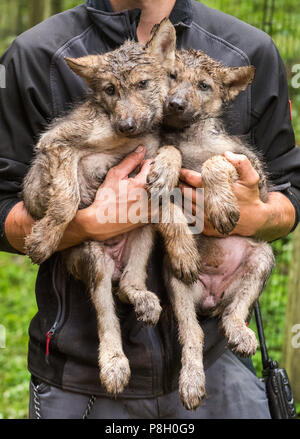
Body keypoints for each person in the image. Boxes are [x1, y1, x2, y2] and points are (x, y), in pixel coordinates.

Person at [0, 0, 299, 419]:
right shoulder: (36, 53)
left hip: (218, 365)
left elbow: (290, 188)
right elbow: (4, 205)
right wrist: (86, 224)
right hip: (80, 375)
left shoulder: (248, 49)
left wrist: (258, 216)